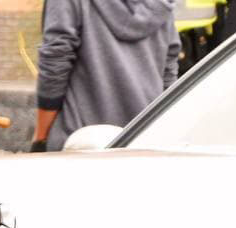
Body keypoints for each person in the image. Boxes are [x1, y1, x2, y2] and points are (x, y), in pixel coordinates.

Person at [32, 0, 180, 152]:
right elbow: (169, 69)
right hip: (144, 139)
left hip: (80, 141)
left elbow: (56, 59)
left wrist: (41, 137)